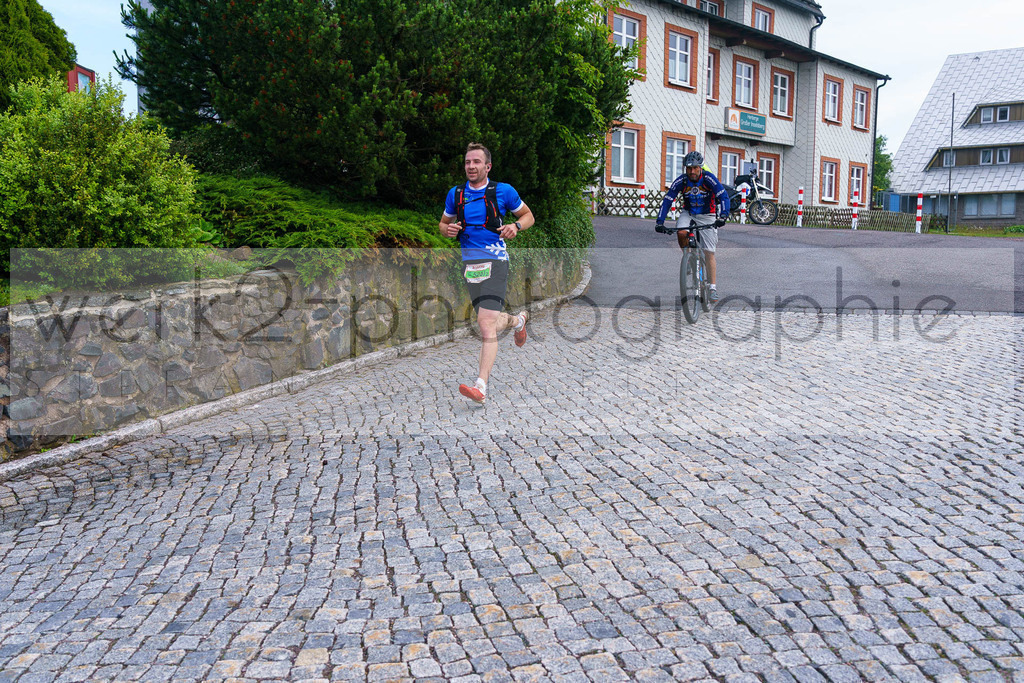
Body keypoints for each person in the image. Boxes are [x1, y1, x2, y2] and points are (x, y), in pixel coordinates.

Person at [439, 142, 535, 405]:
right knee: (490, 321)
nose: (471, 166)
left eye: (476, 162)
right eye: (468, 162)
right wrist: (445, 230)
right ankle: (518, 321)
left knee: (484, 324)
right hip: (470, 265)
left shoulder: (503, 191)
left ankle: (480, 386)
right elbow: (443, 223)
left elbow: (528, 216)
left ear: (487, 166)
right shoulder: (456, 194)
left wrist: (516, 226)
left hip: (496, 261)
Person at [654, 151, 730, 303]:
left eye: (695, 168)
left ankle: (713, 287)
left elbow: (723, 196)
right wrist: (660, 221)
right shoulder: (681, 181)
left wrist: (723, 216)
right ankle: (688, 258)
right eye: (689, 168)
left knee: (709, 252)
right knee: (681, 232)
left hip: (708, 214)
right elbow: (668, 199)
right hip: (688, 212)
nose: (692, 171)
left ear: (700, 167)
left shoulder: (708, 179)